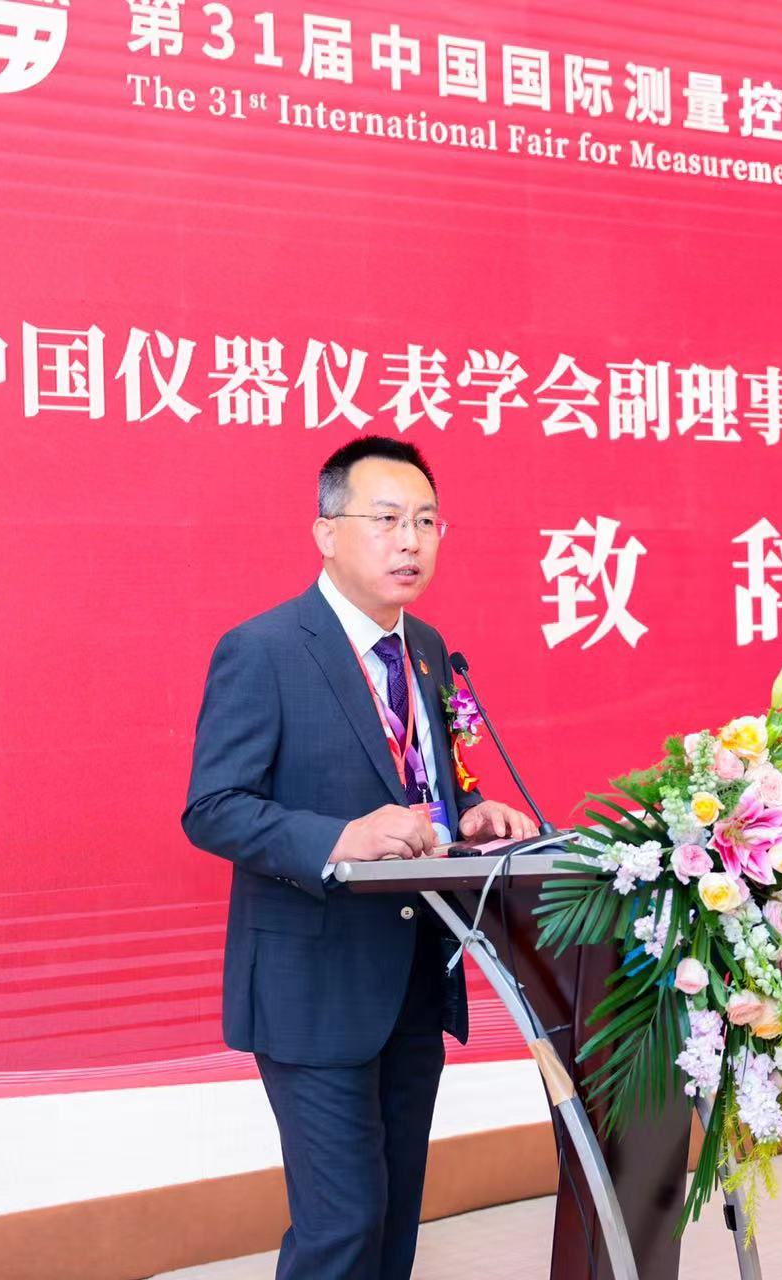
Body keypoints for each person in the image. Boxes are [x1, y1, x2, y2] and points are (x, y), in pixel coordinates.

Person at [183, 436, 540, 1280]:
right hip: (312, 989)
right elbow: (213, 807)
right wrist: (337, 839)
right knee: (341, 1229)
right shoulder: (265, 649)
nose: (409, 541)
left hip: (412, 981)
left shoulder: (428, 650)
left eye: (426, 521)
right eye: (385, 520)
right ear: (326, 532)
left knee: (391, 1222)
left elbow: (423, 785)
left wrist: (471, 816)